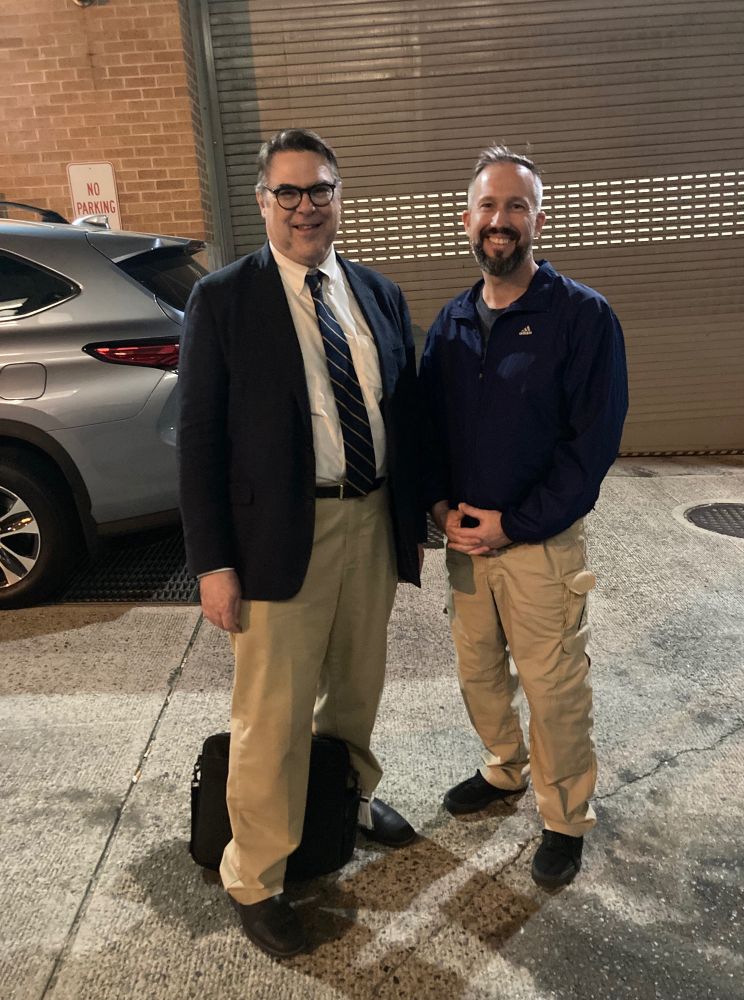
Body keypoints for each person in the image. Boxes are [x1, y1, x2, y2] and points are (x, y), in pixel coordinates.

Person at [178, 128, 424, 957]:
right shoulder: (223, 300)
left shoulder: (378, 294)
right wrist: (213, 563)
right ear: (262, 202)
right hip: (277, 538)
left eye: (319, 189)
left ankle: (346, 802)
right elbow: (199, 442)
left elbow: (405, 411)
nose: (305, 206)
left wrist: (423, 509)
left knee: (356, 688)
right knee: (272, 715)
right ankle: (256, 874)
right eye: (287, 192)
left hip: (371, 521)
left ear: (339, 196)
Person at [419, 144, 628, 890]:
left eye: (515, 206)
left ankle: (565, 817)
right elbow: (428, 430)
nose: (499, 220)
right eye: (487, 206)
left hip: (540, 547)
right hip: (465, 546)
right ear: (467, 218)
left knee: (554, 687)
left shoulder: (581, 317)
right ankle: (504, 769)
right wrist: (440, 508)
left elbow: (591, 446)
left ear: (538, 219)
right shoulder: (451, 322)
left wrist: (517, 522)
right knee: (479, 672)